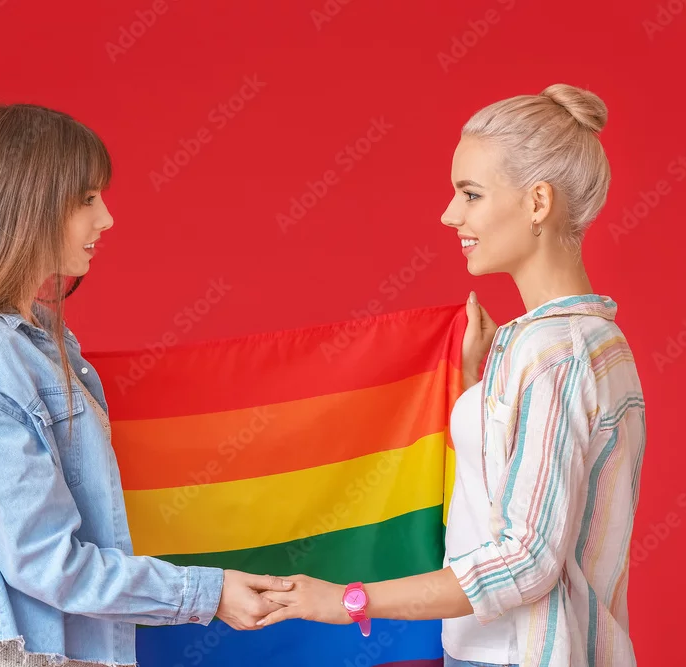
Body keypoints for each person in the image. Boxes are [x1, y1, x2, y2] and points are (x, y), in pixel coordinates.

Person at [257, 84, 647, 667]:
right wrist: (472, 386)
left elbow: (527, 560)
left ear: (538, 202)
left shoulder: (556, 353)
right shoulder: (569, 344)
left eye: (470, 193)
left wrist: (349, 600)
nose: (449, 214)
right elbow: (503, 498)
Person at [0, 103, 290, 667]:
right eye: (86, 199)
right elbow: (43, 560)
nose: (105, 219)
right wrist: (208, 593)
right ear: (28, 205)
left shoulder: (40, 342)